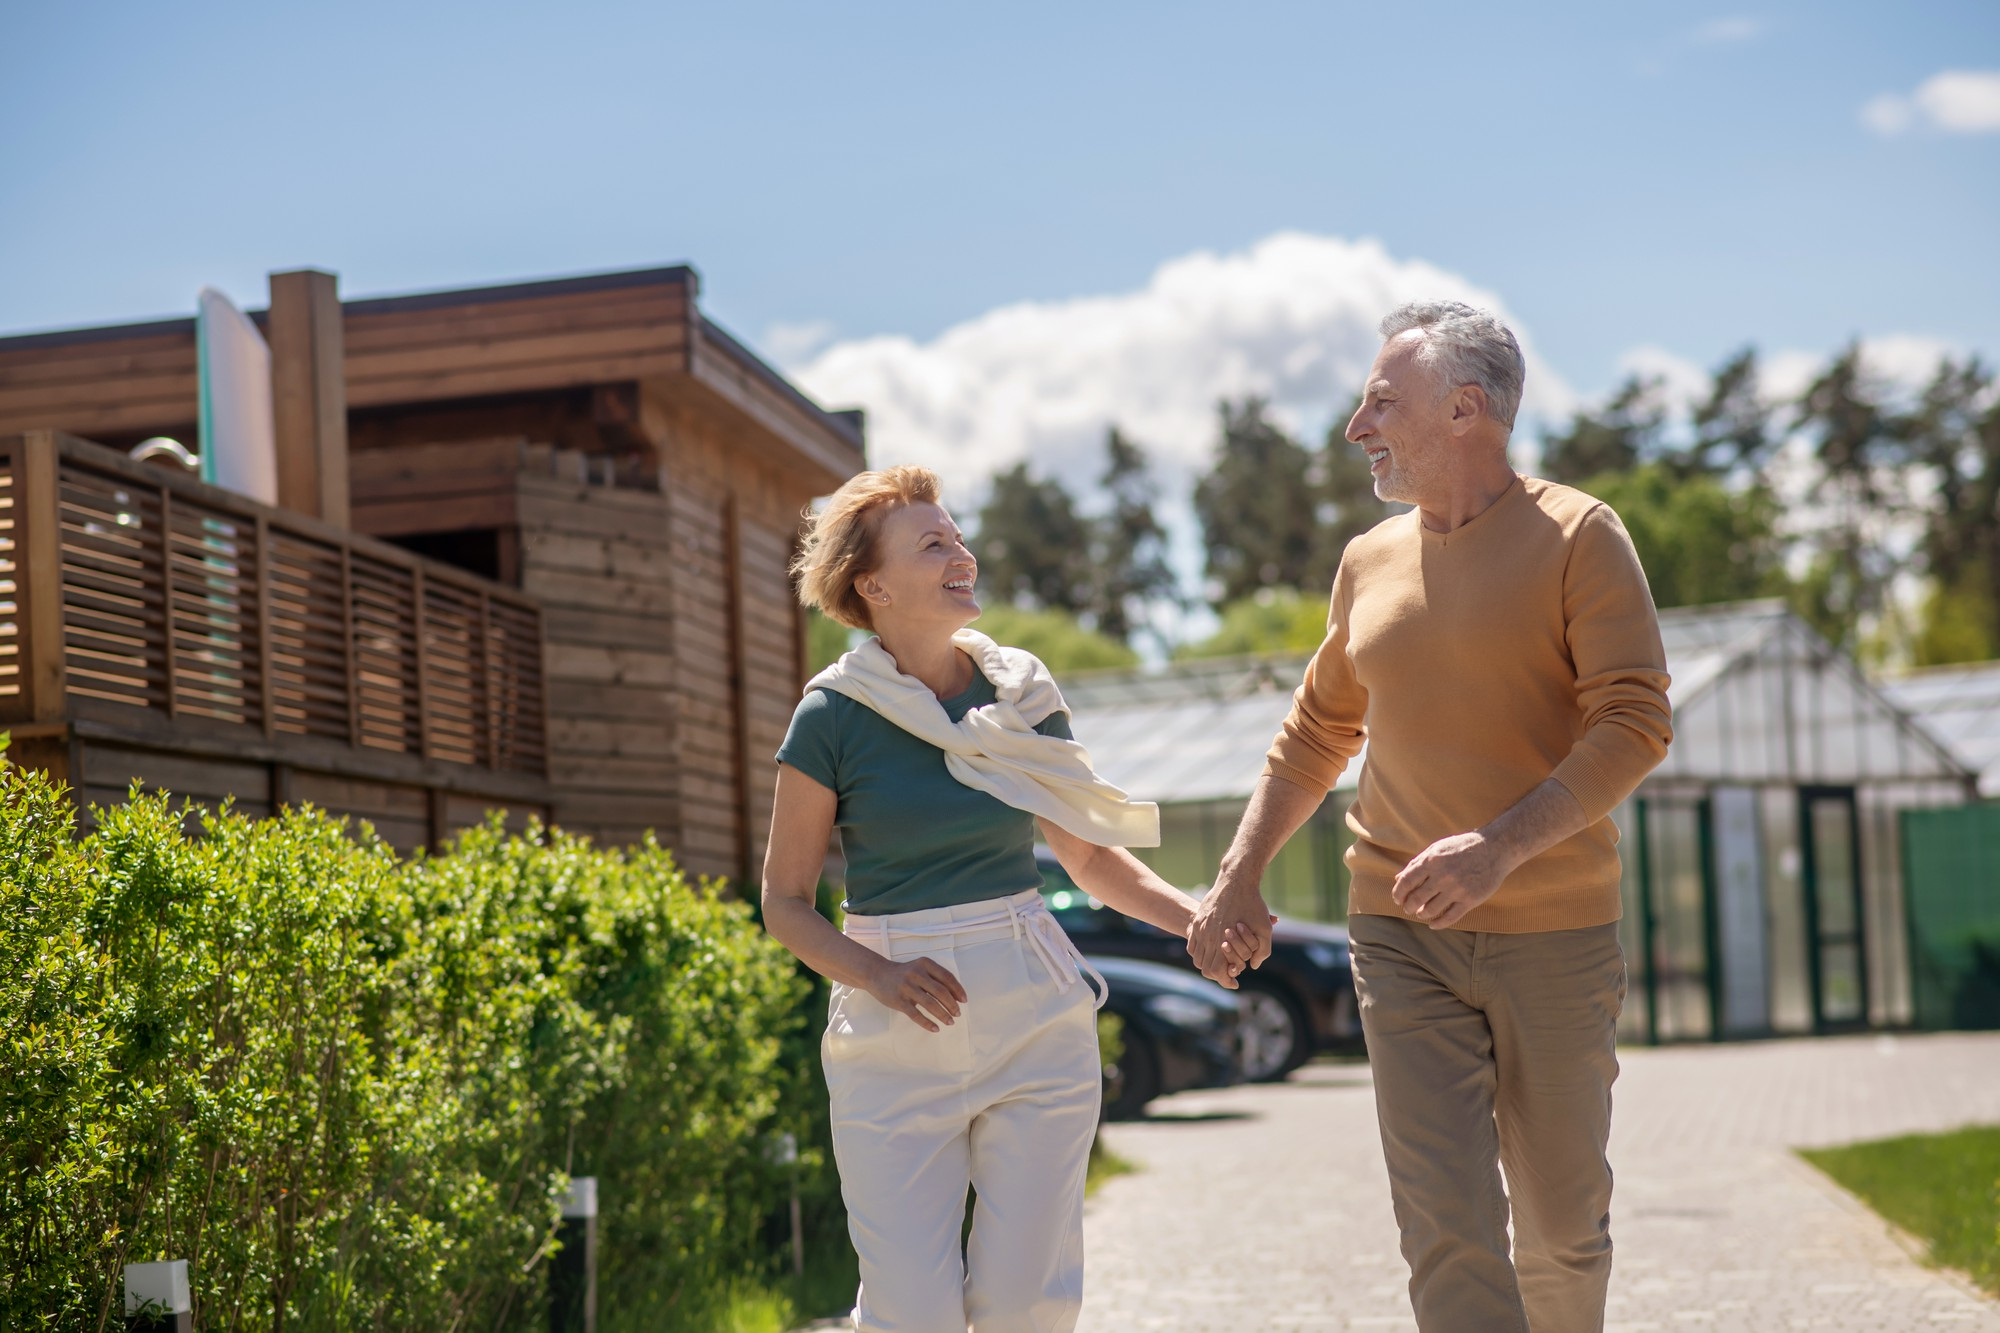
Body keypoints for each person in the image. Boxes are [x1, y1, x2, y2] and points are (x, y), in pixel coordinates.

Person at [1187, 301, 1674, 1333]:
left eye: (1379, 401)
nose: (1356, 426)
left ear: (1464, 409)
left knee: (1559, 1225)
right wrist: (1236, 874)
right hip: (1397, 931)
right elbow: (1317, 729)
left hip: (1552, 930)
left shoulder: (1579, 536)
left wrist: (1501, 847)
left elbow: (1631, 721)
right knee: (1443, 1221)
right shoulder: (1367, 561)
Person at [760, 465, 1240, 1333]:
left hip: (1033, 1012)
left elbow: (1089, 856)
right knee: (913, 1313)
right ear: (873, 584)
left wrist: (1197, 917)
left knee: (1029, 1305)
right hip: (891, 1035)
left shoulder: (1020, 694)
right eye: (933, 543)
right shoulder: (830, 716)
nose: (963, 555)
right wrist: (881, 974)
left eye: (959, 536)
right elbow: (785, 901)